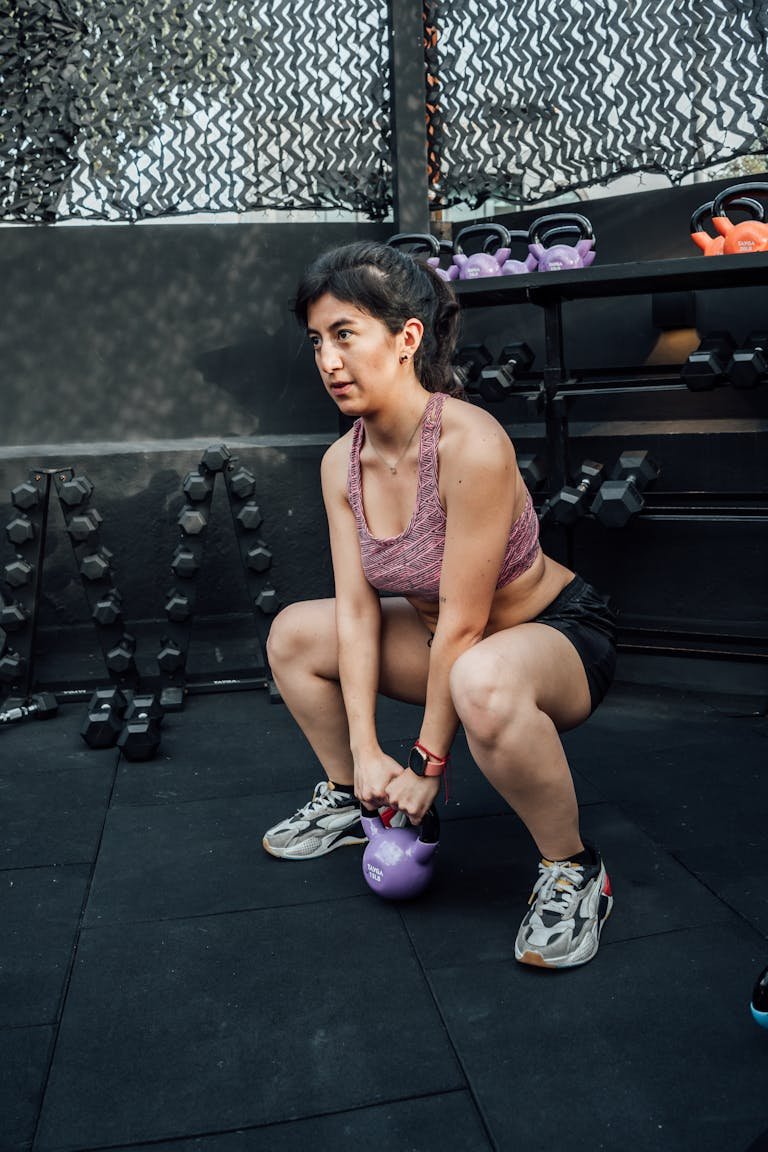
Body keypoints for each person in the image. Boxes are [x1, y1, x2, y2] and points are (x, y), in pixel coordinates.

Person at [262, 240, 617, 969]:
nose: (328, 360)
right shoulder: (341, 464)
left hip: (554, 640)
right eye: (317, 341)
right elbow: (357, 612)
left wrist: (426, 767)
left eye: (345, 335)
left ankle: (574, 870)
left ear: (406, 339)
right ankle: (349, 799)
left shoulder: (469, 443)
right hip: (447, 648)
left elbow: (464, 621)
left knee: (478, 678)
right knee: (297, 634)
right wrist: (366, 751)